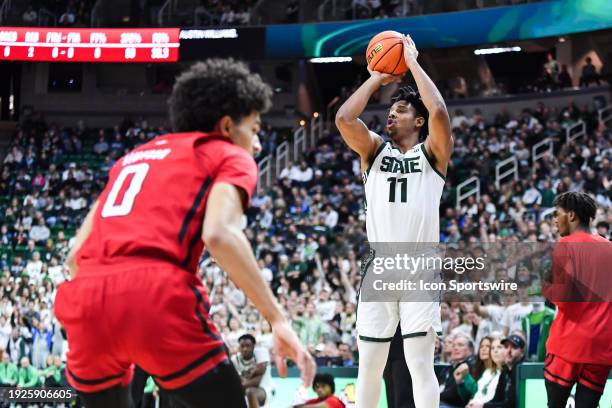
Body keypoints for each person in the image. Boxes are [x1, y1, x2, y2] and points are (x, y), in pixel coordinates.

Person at [54, 59, 315, 408]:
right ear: (226, 126)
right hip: (155, 294)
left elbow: (75, 255)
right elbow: (220, 235)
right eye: (253, 129)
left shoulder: (134, 158)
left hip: (84, 299)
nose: (256, 145)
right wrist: (277, 319)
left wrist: (112, 316)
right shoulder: (227, 154)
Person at [335, 34, 452, 408]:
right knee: (369, 366)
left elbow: (439, 113)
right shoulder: (373, 149)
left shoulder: (433, 153)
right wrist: (376, 77)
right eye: (391, 110)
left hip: (419, 264)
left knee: (420, 363)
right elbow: (343, 118)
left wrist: (412, 62)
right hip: (380, 265)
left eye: (400, 110)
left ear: (417, 121)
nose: (391, 114)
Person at [543, 192, 612, 408]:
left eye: (557, 214)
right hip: (601, 346)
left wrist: (545, 286)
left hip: (569, 344)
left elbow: (562, 299)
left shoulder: (565, 245)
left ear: (571, 216)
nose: (554, 219)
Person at [231, 334, 274, 408]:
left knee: (250, 392)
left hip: (265, 389)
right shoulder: (234, 359)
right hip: (244, 391)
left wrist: (243, 380)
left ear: (254, 346)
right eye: (242, 346)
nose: (245, 349)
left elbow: (257, 382)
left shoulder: (261, 352)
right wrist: (252, 373)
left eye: (248, 346)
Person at [465, 338, 506, 407]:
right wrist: (471, 404)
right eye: (492, 348)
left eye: (499, 347)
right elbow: (479, 393)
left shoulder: (506, 374)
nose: (495, 351)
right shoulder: (488, 372)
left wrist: (482, 406)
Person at [438, 333, 475, 408]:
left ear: (471, 349)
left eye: (460, 345)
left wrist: (436, 396)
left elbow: (455, 395)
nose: (455, 348)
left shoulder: (471, 366)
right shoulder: (448, 368)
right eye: (453, 345)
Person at [455, 336, 492, 402]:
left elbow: (479, 393)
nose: (483, 349)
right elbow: (467, 399)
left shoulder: (496, 371)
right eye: (481, 346)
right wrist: (460, 382)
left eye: (488, 346)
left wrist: (466, 375)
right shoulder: (477, 369)